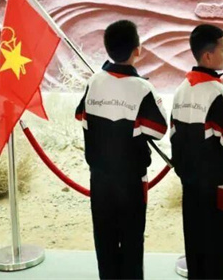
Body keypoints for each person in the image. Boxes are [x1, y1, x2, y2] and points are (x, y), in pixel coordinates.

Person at [74, 20, 168, 280]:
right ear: (137, 50)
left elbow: (81, 116)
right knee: (131, 242)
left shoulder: (94, 81)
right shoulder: (142, 89)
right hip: (131, 183)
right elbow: (159, 130)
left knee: (104, 240)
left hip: (99, 179)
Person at [170, 24, 223, 279]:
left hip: (190, 187)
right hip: (218, 191)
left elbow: (174, 138)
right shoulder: (221, 94)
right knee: (218, 254)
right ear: (207, 55)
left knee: (195, 251)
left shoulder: (181, 90)